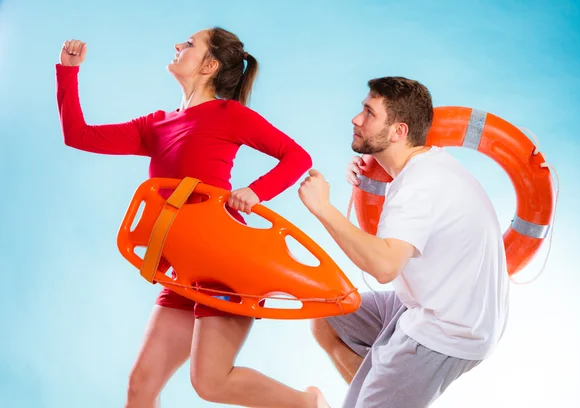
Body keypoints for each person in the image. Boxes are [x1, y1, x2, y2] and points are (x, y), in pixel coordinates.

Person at [57, 27, 329, 408]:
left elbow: (297, 157)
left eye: (188, 44)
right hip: (183, 271)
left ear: (209, 65)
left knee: (210, 383)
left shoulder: (228, 114)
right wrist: (68, 71)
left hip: (225, 265)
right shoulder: (155, 126)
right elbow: (78, 135)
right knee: (140, 388)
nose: (177, 46)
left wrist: (255, 192)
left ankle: (309, 405)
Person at [298, 76, 510, 407]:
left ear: (398, 131)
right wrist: (367, 171)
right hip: (427, 302)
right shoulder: (423, 166)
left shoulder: (419, 186)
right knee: (327, 317)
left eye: (369, 113)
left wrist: (322, 208)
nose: (356, 119)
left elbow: (384, 266)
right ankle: (382, 396)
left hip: (447, 330)